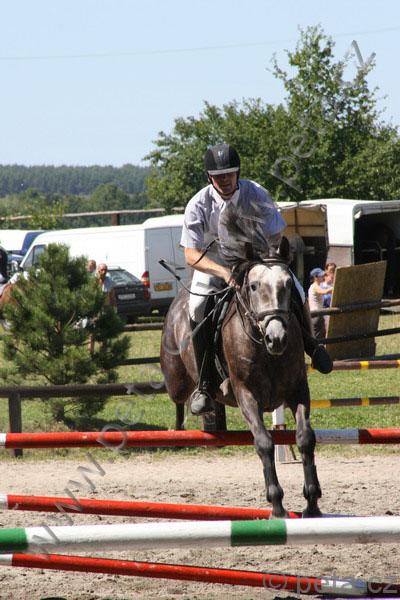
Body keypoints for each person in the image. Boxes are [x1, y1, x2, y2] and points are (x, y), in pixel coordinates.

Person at [181, 143, 333, 416]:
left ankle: (312, 346)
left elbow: (275, 235)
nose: (225, 180)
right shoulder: (198, 204)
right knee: (196, 307)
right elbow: (191, 255)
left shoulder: (257, 193)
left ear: (238, 173)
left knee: (296, 288)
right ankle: (205, 383)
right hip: (215, 265)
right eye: (218, 176)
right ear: (209, 178)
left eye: (229, 174)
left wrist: (262, 264)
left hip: (257, 260)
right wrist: (223, 272)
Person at [308, 267, 333, 339]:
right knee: (318, 337)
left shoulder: (316, 286)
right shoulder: (315, 286)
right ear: (316, 277)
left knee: (321, 336)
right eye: (321, 276)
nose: (323, 277)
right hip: (316, 315)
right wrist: (335, 287)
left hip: (317, 314)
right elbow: (324, 292)